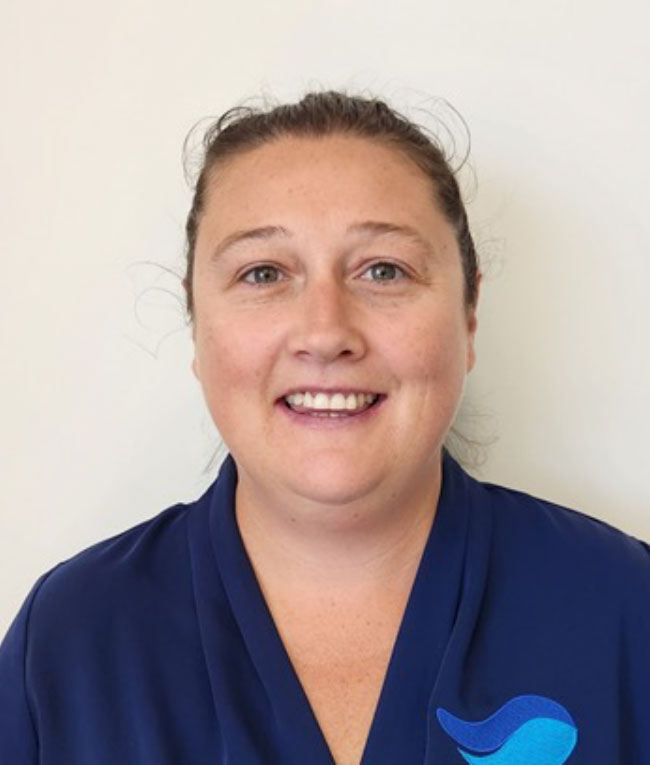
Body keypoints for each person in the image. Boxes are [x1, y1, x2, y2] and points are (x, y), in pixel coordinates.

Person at [1, 91, 649, 765]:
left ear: (469, 314)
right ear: (196, 323)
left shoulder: (624, 610)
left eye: (383, 270)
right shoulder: (69, 641)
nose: (325, 332)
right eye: (263, 273)